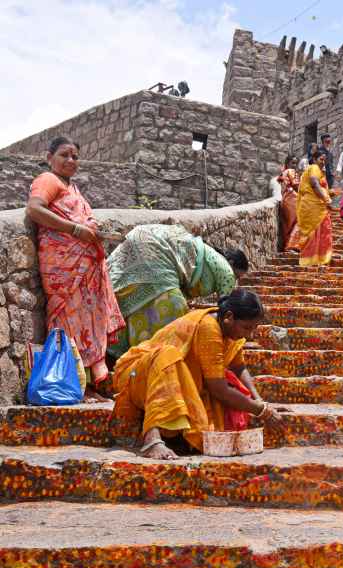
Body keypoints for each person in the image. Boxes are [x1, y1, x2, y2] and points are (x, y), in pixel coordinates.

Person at [111, 289, 285, 460]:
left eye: (253, 328)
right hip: (137, 375)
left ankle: (176, 435)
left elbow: (239, 367)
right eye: (247, 328)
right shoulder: (208, 327)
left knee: (218, 406)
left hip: (177, 382)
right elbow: (218, 388)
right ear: (229, 317)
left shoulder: (230, 331)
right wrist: (262, 411)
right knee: (167, 355)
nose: (250, 334)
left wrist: (258, 400)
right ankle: (152, 438)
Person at [25, 136, 125, 396]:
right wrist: (75, 229)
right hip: (63, 268)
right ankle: (68, 380)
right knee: (67, 320)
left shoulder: (73, 188)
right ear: (50, 158)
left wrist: (91, 229)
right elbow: (35, 209)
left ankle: (93, 380)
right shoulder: (48, 180)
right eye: (64, 155)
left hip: (85, 266)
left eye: (75, 156)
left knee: (89, 321)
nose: (70, 160)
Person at [107, 224, 249, 358]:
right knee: (176, 310)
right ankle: (147, 360)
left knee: (140, 301)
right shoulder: (228, 272)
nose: (235, 281)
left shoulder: (210, 255)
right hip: (155, 252)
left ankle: (123, 357)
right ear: (231, 265)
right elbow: (227, 312)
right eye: (237, 276)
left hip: (145, 240)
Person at [294, 150, 337, 266]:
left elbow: (316, 186)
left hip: (314, 205)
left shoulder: (318, 171)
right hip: (313, 206)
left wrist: (329, 192)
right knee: (319, 231)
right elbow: (314, 184)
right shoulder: (314, 167)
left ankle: (315, 259)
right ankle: (316, 259)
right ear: (314, 159)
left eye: (324, 160)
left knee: (319, 231)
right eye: (321, 159)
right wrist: (326, 199)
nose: (323, 162)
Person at [277, 155, 300, 251]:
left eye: (296, 163)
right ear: (288, 163)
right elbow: (296, 185)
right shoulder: (291, 172)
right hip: (292, 199)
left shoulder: (283, 173)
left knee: (288, 224)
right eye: (292, 163)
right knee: (296, 222)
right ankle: (291, 246)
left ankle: (286, 245)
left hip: (286, 199)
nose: (294, 165)